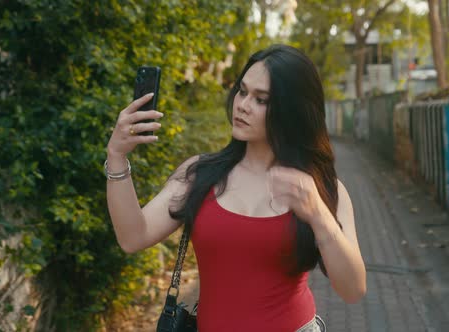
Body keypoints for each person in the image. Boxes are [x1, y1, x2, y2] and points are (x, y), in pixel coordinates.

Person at [105, 44, 366, 332]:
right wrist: (117, 157)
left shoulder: (323, 189)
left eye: (261, 99)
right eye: (242, 91)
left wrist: (318, 215)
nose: (242, 105)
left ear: (293, 110)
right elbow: (133, 236)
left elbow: (353, 290)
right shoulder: (200, 174)